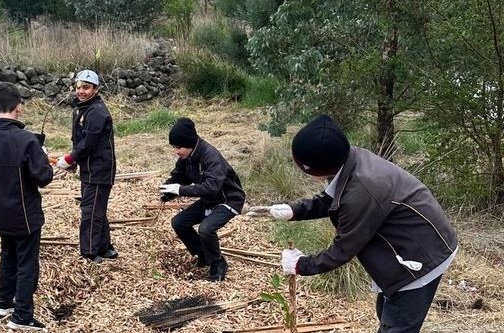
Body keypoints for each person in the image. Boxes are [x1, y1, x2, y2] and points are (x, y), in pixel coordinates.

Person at [247, 114, 458, 333]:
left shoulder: (363, 190)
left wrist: (301, 265)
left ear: (317, 168)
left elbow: (343, 249)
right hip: (410, 238)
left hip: (423, 256)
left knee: (398, 323)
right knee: (386, 308)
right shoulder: (349, 159)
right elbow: (333, 198)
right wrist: (295, 210)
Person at [0, 82, 54, 331]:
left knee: (8, 255)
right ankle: (22, 316)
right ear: (19, 108)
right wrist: (42, 153)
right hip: (24, 215)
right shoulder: (26, 141)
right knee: (26, 264)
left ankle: (3, 301)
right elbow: (43, 177)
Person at [158, 117, 246, 282]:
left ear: (190, 143)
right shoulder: (186, 158)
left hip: (228, 200)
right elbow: (179, 176)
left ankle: (218, 263)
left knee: (206, 229)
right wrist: (166, 192)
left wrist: (181, 190)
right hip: (209, 199)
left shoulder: (210, 156)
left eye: (179, 147)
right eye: (174, 147)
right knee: (179, 222)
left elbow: (211, 187)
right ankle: (204, 255)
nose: (176, 151)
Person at [54, 69, 118, 263]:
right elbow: (79, 140)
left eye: (86, 88)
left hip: (99, 170)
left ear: (96, 89)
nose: (81, 91)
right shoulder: (82, 108)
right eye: (79, 87)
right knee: (97, 208)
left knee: (90, 212)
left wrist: (71, 158)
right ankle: (105, 247)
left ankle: (90, 252)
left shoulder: (96, 112)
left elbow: (89, 143)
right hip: (90, 168)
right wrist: (74, 161)